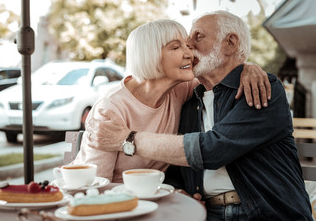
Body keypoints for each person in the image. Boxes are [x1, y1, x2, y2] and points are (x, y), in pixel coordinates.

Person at [86, 11, 313, 220]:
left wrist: (128, 140)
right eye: (182, 44)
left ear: (230, 43)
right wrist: (178, 190)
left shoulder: (260, 89)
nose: (189, 48)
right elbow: (171, 167)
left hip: (266, 211)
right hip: (201, 212)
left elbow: (213, 148)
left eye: (197, 37)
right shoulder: (188, 98)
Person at [73, 19, 270, 183]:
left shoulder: (180, 90)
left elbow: (220, 72)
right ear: (150, 55)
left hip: (154, 200)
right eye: (176, 47)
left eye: (186, 45)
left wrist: (247, 67)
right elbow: (94, 184)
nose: (189, 53)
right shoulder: (111, 109)